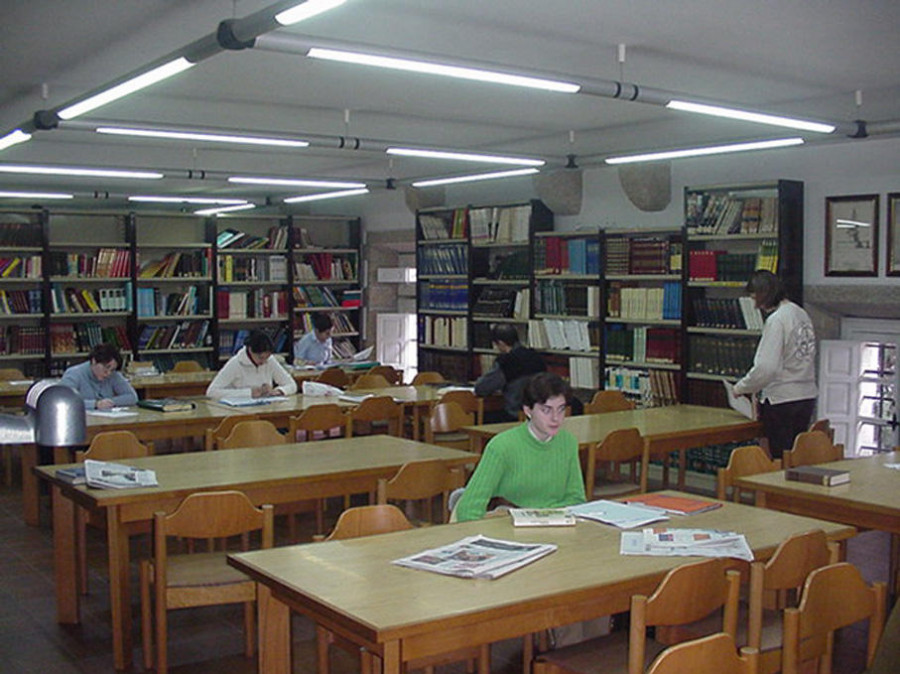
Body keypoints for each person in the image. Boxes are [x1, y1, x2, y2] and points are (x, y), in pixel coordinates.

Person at [455, 372, 585, 522]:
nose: (556, 418)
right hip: (508, 527)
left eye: (561, 409)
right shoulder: (501, 447)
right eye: (546, 410)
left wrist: (544, 518)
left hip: (553, 527)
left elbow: (576, 499)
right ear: (528, 410)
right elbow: (468, 508)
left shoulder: (568, 442)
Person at [732, 270, 817, 459]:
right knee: (796, 456)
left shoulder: (777, 320)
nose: (754, 304)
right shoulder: (800, 313)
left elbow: (766, 368)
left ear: (764, 294)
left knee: (780, 458)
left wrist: (741, 387)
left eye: (754, 296)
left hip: (782, 400)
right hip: (806, 396)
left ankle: (777, 488)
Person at [474, 323, 547, 422]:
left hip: (514, 415)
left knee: (481, 416)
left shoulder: (507, 361)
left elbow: (482, 388)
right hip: (538, 414)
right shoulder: (536, 357)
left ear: (501, 343)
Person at [206, 330, 297, 400]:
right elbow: (212, 392)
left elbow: (291, 384)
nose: (264, 362)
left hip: (266, 408)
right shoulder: (235, 363)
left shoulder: (270, 360)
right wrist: (248, 393)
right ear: (250, 350)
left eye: (267, 357)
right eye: (260, 358)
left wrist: (279, 391)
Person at [60, 343, 138, 410]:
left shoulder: (113, 375)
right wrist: (95, 404)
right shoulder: (74, 374)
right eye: (106, 367)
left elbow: (132, 397)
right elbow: (64, 400)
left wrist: (111, 402)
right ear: (94, 361)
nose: (108, 373)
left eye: (112, 369)